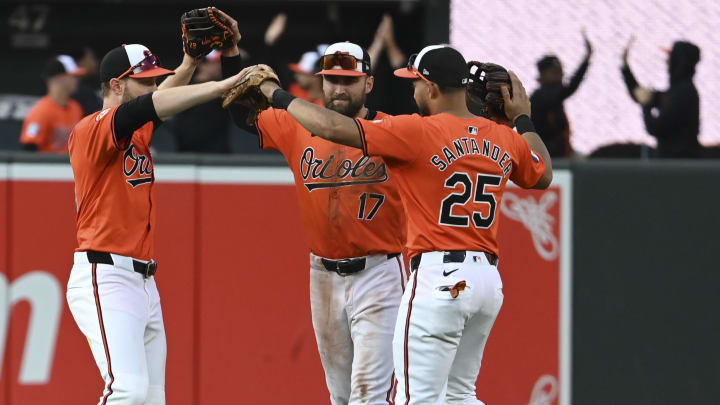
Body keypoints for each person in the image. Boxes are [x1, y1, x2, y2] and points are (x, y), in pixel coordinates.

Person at [250, 44, 552, 404]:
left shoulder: (417, 132)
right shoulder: (502, 136)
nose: (414, 91)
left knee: (415, 399)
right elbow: (543, 174)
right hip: (487, 282)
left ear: (432, 88)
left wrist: (275, 94)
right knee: (459, 396)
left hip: (438, 278)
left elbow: (331, 126)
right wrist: (522, 120)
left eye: (416, 83)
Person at [221, 13, 407, 403]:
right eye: (332, 79)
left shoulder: (393, 131)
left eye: (349, 80)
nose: (339, 88)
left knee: (369, 395)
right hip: (322, 273)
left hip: (378, 273)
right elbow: (241, 112)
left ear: (369, 84)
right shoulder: (296, 125)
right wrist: (231, 50)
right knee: (340, 396)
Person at [65, 36, 248, 405]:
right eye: (144, 80)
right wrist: (222, 85)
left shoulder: (133, 131)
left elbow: (157, 101)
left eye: (153, 80)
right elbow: (156, 103)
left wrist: (189, 63)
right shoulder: (94, 128)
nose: (152, 87)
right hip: (106, 274)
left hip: (143, 282)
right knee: (127, 391)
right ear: (117, 84)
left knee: (150, 398)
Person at [621, 38, 701, 158]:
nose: (666, 62)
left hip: (676, 166)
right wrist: (626, 69)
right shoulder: (681, 91)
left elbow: (655, 127)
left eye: (670, 58)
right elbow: (641, 95)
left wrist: (646, 107)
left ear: (677, 62)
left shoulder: (682, 93)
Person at [530, 30, 592, 157]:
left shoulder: (550, 96)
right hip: (547, 159)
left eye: (561, 72)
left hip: (559, 154)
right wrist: (585, 61)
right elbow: (569, 89)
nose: (560, 76)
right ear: (542, 75)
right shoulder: (541, 96)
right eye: (555, 72)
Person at [167, 50, 232, 153]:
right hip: (186, 156)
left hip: (218, 158)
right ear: (202, 64)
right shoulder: (184, 88)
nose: (221, 66)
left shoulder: (225, 88)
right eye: (217, 62)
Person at [20, 55, 86, 152]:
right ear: (59, 78)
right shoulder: (42, 111)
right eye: (73, 76)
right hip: (48, 165)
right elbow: (29, 146)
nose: (77, 80)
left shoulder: (76, 107)